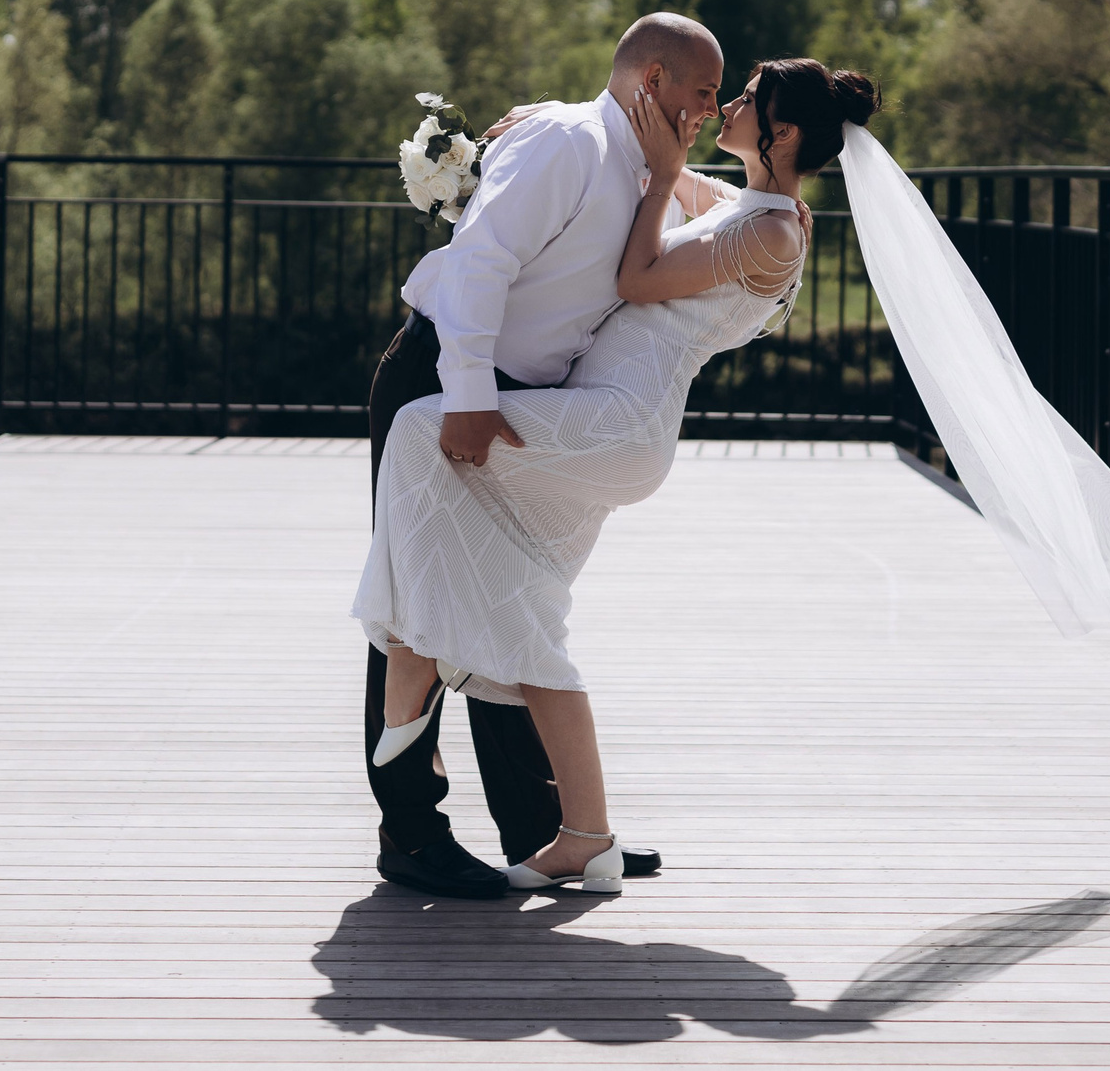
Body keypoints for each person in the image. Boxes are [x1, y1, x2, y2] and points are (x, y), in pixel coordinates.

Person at [356, 54, 869, 894]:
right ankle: (550, 829)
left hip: (612, 421)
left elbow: (638, 272)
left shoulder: (774, 230)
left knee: (436, 479)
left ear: (781, 133)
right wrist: (563, 121)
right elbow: (654, 179)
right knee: (509, 591)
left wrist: (663, 167)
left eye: (738, 98)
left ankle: (414, 659)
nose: (718, 105)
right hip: (590, 412)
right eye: (708, 91)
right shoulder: (751, 205)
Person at [356, 12, 726, 901]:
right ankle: (410, 832)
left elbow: (721, 203)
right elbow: (479, 261)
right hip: (445, 383)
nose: (710, 111)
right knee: (420, 604)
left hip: (521, 409)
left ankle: (544, 833)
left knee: (508, 600)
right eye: (701, 94)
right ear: (652, 84)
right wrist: (472, 399)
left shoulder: (647, 165)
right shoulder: (565, 142)